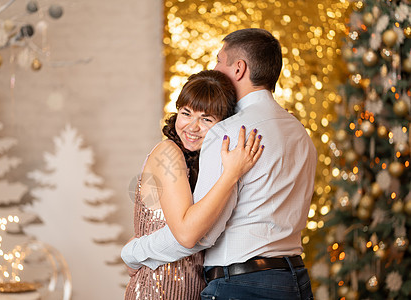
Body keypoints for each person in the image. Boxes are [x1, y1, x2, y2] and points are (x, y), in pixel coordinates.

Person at [122, 28, 317, 300]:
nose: (214, 68)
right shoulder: (299, 131)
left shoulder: (229, 132)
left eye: (218, 61)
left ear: (238, 68)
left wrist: (133, 252)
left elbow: (197, 235)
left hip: (240, 284)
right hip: (293, 279)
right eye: (186, 113)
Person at [123, 70, 264, 300]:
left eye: (206, 119)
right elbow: (187, 235)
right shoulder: (168, 153)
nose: (192, 126)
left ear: (223, 124)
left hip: (193, 290)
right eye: (186, 113)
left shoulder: (204, 164)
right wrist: (232, 174)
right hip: (157, 292)